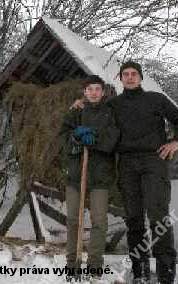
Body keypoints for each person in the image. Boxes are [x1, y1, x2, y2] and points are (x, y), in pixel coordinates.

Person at [73, 61, 178, 284]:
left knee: (158, 215)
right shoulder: (114, 104)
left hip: (154, 160)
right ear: (120, 78)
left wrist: (176, 142)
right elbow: (95, 110)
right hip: (126, 163)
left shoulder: (156, 99)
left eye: (133, 74)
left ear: (140, 77)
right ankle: (140, 269)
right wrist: (81, 104)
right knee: (134, 217)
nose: (129, 77)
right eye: (125, 74)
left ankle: (166, 271)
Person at [60, 75, 119, 282]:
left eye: (97, 89)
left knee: (99, 221)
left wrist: (94, 138)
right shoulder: (76, 112)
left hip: (100, 177)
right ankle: (72, 264)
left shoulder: (110, 113)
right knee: (74, 220)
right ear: (84, 92)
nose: (93, 92)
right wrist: (75, 136)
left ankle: (94, 265)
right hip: (76, 176)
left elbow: (113, 140)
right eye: (90, 89)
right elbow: (63, 138)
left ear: (103, 92)